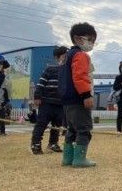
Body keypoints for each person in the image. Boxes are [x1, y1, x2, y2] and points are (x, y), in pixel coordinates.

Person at [59, 22, 97, 168]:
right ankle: (80, 159)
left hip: (67, 100)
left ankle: (67, 158)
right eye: (90, 40)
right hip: (79, 98)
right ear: (78, 39)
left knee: (71, 129)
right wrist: (86, 94)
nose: (92, 44)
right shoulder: (81, 55)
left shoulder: (66, 57)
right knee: (84, 129)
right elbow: (80, 76)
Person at [31, 46, 68, 154]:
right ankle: (36, 144)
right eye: (64, 56)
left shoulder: (69, 72)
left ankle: (53, 143)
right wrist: (37, 96)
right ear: (57, 58)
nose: (66, 58)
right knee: (41, 124)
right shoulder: (50, 69)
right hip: (46, 102)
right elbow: (40, 83)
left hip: (61, 104)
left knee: (57, 126)